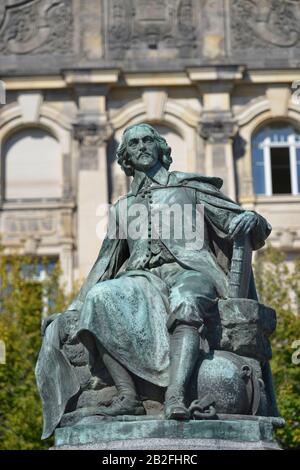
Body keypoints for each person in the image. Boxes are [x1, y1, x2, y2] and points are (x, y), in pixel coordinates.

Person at [36, 123, 272, 438]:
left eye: (149, 140)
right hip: (141, 277)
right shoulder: (121, 208)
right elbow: (105, 263)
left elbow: (236, 222)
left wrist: (251, 219)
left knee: (185, 302)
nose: (143, 146)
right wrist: (73, 306)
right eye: (134, 144)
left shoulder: (191, 188)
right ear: (126, 158)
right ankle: (128, 395)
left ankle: (175, 395)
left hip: (190, 271)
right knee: (99, 298)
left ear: (161, 148)